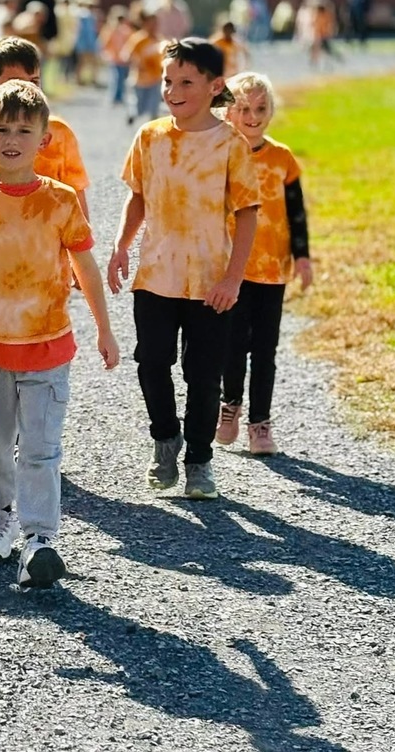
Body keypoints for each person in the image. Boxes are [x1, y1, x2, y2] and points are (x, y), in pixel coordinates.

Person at [0, 80, 120, 588]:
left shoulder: (60, 201)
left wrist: (105, 329)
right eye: (1, 129)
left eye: (23, 129)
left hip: (47, 345)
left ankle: (39, 539)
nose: (11, 138)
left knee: (40, 448)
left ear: (44, 140)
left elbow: (86, 268)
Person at [107, 38, 260, 500]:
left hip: (212, 281)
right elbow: (137, 196)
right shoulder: (150, 136)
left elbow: (248, 212)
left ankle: (198, 460)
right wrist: (120, 246)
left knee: (203, 373)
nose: (172, 90)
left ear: (215, 87)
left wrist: (234, 278)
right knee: (151, 362)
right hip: (155, 274)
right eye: (168, 81)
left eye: (185, 82)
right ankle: (164, 438)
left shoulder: (230, 144)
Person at [217, 72, 313, 456]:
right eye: (244, 109)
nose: (253, 117)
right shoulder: (221, 153)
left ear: (271, 111)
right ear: (229, 113)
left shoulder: (282, 158)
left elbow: (297, 211)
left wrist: (303, 257)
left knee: (266, 349)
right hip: (232, 269)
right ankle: (230, 406)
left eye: (261, 109)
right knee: (232, 344)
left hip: (273, 268)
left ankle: (260, 424)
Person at [0, 35, 90, 220]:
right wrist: (21, 188)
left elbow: (76, 191)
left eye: (34, 82)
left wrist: (83, 235)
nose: (26, 90)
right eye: (16, 81)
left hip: (47, 234)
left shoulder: (58, 130)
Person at [119, 12, 164, 126]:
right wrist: (137, 62)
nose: (154, 26)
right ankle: (132, 115)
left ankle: (152, 127)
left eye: (156, 23)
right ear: (144, 24)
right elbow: (127, 55)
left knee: (154, 105)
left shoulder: (159, 40)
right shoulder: (138, 39)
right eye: (151, 23)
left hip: (155, 78)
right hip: (140, 79)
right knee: (139, 107)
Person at [99, 5, 133, 106]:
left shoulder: (127, 31)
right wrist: (106, 53)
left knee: (122, 79)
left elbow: (130, 43)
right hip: (114, 58)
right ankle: (114, 97)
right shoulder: (110, 30)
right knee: (116, 78)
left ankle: (120, 96)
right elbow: (105, 43)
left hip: (124, 59)